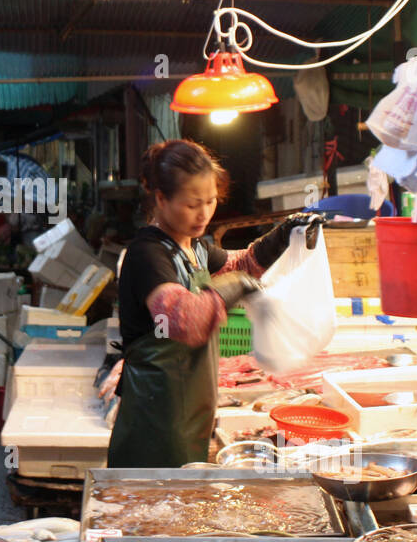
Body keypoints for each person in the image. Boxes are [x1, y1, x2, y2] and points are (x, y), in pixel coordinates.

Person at [108, 139, 320, 468]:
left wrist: (283, 235)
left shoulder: (196, 248)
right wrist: (235, 286)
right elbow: (182, 320)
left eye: (211, 201)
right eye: (193, 204)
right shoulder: (149, 254)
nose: (204, 213)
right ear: (161, 199)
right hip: (154, 419)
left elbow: (242, 264)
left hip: (191, 414)